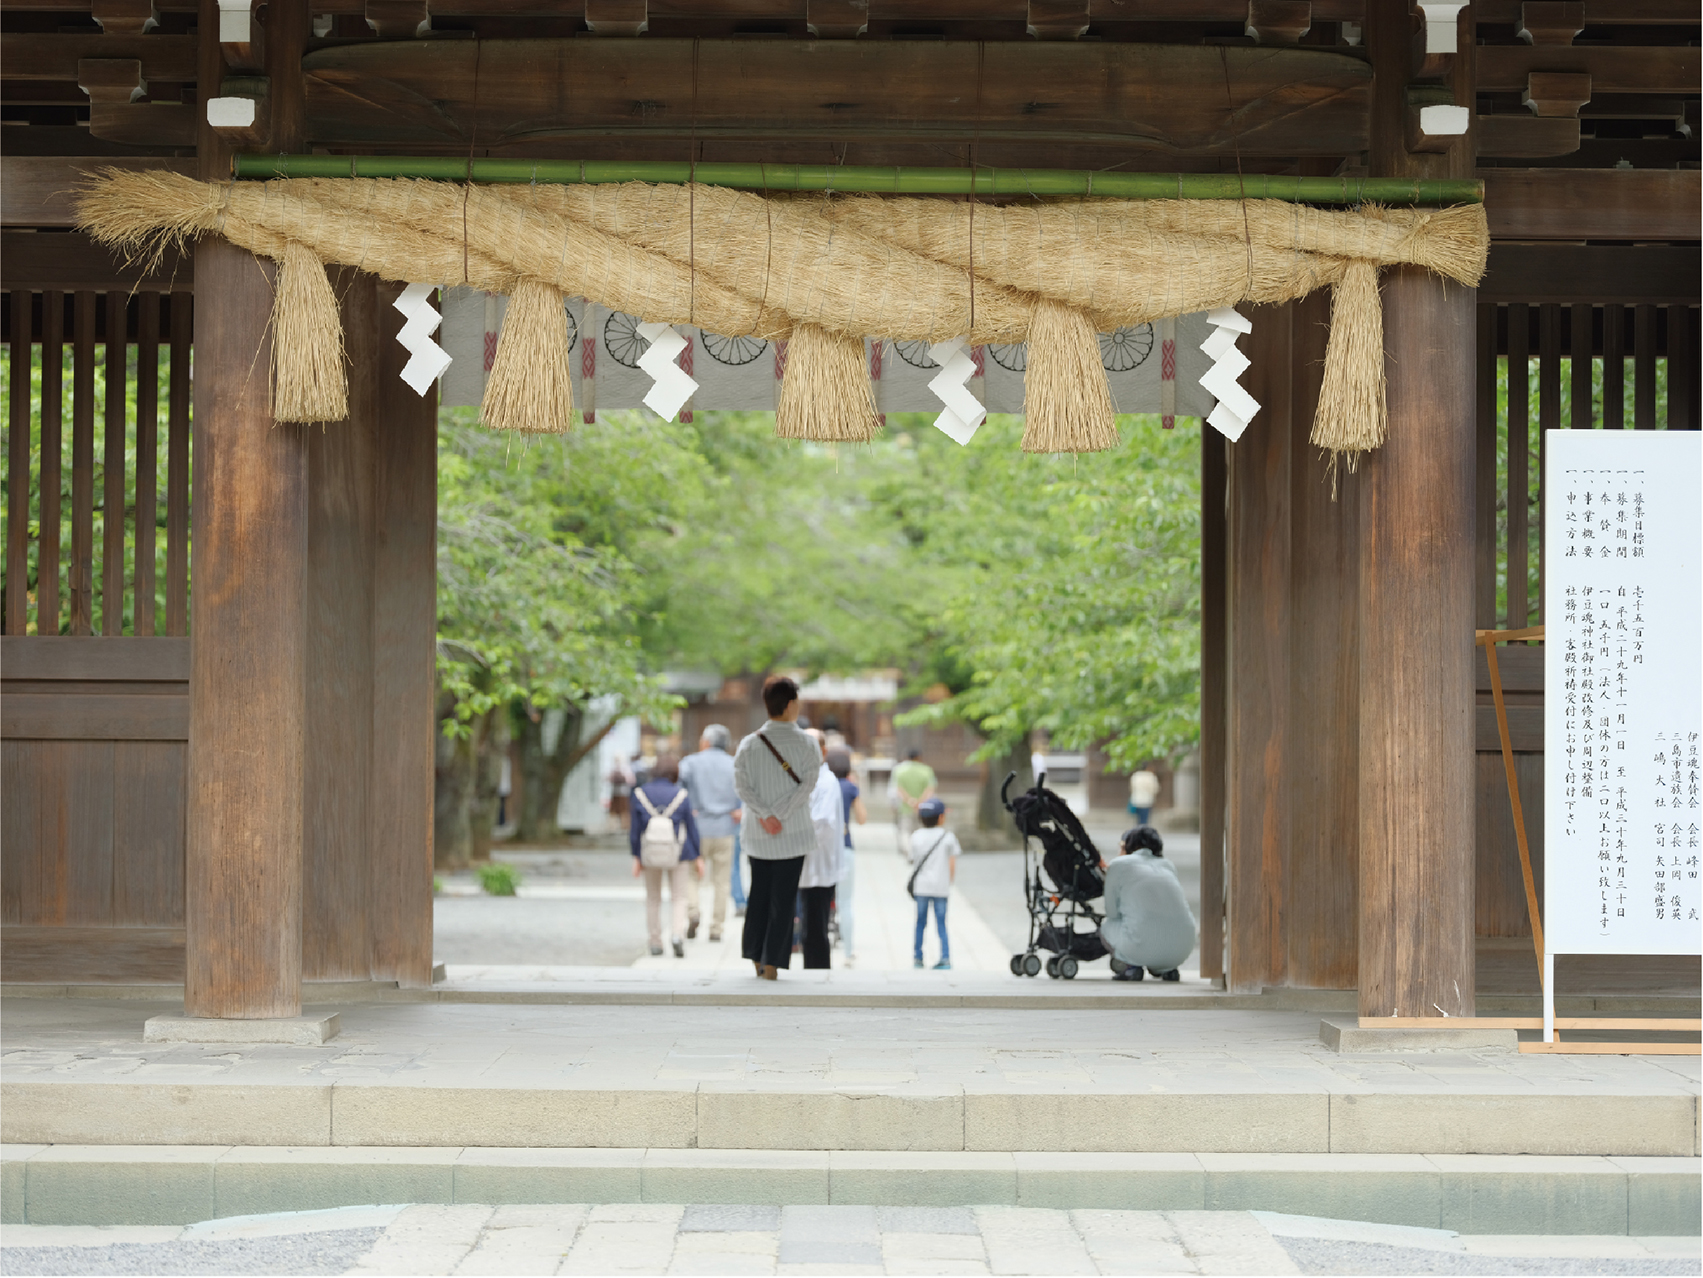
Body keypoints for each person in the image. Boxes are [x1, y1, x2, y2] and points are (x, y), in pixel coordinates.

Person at [733, 675, 821, 980]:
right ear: (792, 704)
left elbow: (741, 786)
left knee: (758, 893)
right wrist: (780, 814)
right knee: (784, 899)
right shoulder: (808, 743)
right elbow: (809, 783)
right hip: (793, 834)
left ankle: (755, 956)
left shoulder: (749, 744)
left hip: (758, 834)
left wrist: (765, 814)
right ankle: (773, 963)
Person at [628, 754, 702, 958]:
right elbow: (692, 828)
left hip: (650, 852)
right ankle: (677, 935)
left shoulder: (640, 794)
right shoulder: (681, 794)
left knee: (653, 898)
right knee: (679, 897)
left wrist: (636, 856)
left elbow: (635, 830)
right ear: (675, 773)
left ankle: (655, 941)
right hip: (679, 852)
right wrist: (698, 856)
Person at [1100, 826, 1196, 982]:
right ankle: (1167, 968)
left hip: (1140, 944)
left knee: (1106, 925)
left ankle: (1131, 967)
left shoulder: (1118, 865)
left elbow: (1111, 913)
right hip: (1183, 949)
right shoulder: (1168, 865)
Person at [679, 724, 741, 942]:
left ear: (706, 741)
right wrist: (738, 808)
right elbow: (744, 791)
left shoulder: (691, 762)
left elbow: (680, 787)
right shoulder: (734, 764)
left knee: (691, 875)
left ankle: (694, 911)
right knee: (722, 882)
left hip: (697, 827)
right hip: (725, 827)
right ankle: (716, 928)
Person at [798, 730, 845, 969]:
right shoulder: (807, 777)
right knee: (809, 926)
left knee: (815, 927)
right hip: (808, 864)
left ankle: (817, 973)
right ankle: (813, 970)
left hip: (817, 864)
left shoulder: (825, 782)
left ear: (823, 752)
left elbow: (823, 823)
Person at [908, 797, 959, 970]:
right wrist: (949, 881)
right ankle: (945, 958)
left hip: (921, 887)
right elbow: (952, 863)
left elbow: (912, 859)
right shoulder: (948, 837)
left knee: (920, 923)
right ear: (940, 817)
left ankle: (918, 957)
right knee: (941, 923)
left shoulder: (915, 836)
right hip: (940, 887)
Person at [827, 748, 866, 967]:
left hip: (823, 849)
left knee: (820, 900)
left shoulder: (821, 785)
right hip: (845, 847)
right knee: (846, 901)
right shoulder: (850, 788)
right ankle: (848, 952)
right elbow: (862, 818)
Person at [889, 749, 937, 855]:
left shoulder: (899, 770)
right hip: (923, 807)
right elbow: (930, 789)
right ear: (919, 757)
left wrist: (910, 801)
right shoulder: (927, 770)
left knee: (905, 831)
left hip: (905, 806)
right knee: (920, 830)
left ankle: (908, 851)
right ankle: (920, 852)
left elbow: (898, 789)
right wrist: (920, 802)